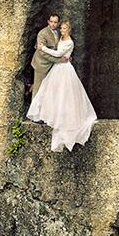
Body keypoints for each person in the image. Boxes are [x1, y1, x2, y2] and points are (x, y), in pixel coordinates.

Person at [27, 21, 97, 152]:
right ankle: (49, 114)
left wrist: (43, 48)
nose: (62, 30)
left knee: (65, 93)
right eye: (61, 28)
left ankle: (64, 118)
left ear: (68, 30)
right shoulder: (60, 37)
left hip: (64, 68)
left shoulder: (69, 42)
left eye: (64, 28)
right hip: (57, 68)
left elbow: (58, 54)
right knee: (52, 92)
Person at [30, 13, 69, 98]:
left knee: (49, 89)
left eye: (55, 22)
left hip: (53, 65)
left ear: (58, 23)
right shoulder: (42, 33)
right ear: (48, 22)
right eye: (51, 21)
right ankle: (34, 110)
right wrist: (59, 60)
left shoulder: (59, 32)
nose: (53, 24)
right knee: (38, 89)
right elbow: (42, 52)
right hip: (42, 65)